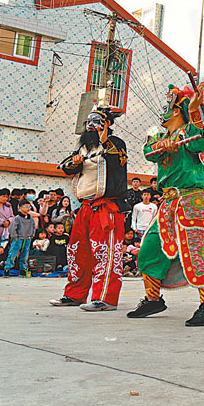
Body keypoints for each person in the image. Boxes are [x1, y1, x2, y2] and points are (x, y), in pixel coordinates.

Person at [127, 82, 204, 326]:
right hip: (168, 203)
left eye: (168, 106)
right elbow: (149, 151)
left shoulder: (191, 133)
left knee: (201, 253)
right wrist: (164, 145)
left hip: (191, 201)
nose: (163, 111)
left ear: (177, 111)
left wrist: (194, 111)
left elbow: (200, 142)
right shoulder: (160, 137)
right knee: (149, 248)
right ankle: (153, 299)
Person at [49, 106, 128, 311]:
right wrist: (74, 162)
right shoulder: (84, 149)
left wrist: (104, 138)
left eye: (96, 121)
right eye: (89, 122)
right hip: (85, 207)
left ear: (107, 124)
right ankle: (74, 294)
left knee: (105, 253)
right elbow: (66, 168)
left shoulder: (115, 144)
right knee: (78, 251)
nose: (91, 125)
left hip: (107, 207)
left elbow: (117, 161)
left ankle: (105, 298)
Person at [5, 201, 36, 275]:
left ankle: (23, 269)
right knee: (13, 253)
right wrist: (14, 236)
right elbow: (13, 228)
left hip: (27, 238)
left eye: (29, 207)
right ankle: (7, 268)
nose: (28, 208)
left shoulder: (30, 218)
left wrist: (32, 235)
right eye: (26, 207)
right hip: (18, 238)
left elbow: (33, 227)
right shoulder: (17, 218)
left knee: (25, 254)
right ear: (20, 208)